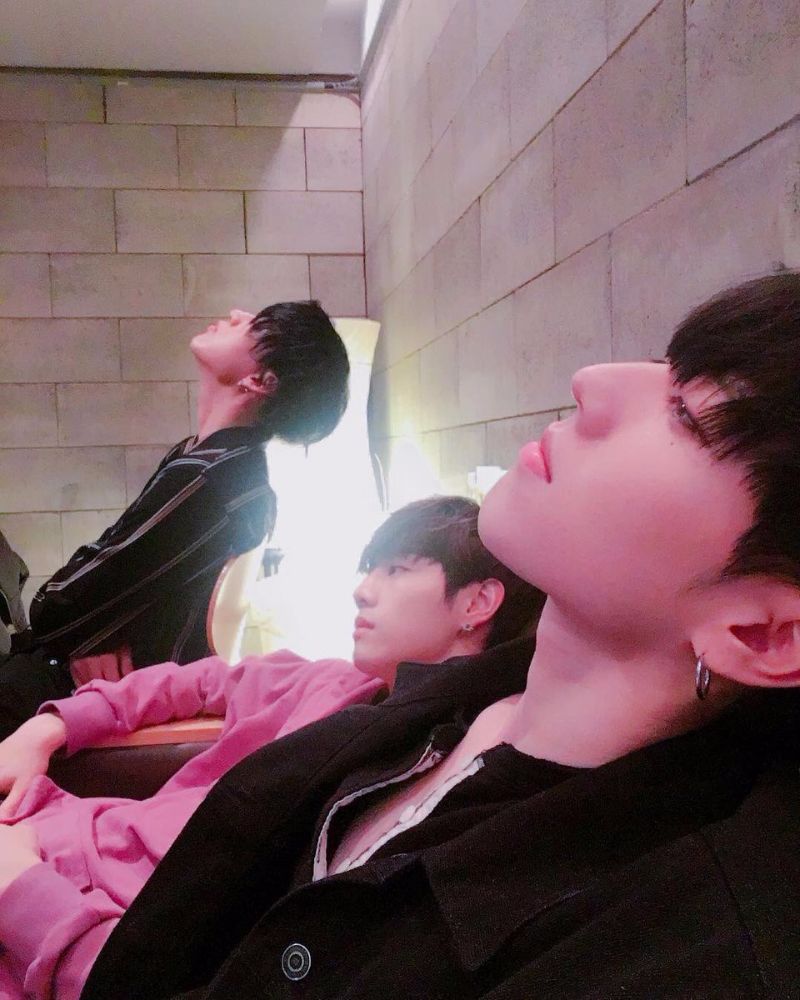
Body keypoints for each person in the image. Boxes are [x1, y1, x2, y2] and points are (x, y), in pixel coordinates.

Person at [31, 270, 800, 1000]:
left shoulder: (655, 951)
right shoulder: (428, 710)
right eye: (666, 368)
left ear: (764, 633)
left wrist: (30, 901)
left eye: (689, 415)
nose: (592, 380)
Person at [0, 496, 542, 1000]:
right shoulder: (325, 682)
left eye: (396, 569)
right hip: (59, 839)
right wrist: (47, 729)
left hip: (93, 916)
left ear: (477, 601)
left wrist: (24, 885)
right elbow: (195, 681)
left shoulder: (441, 776)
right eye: (369, 568)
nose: (363, 590)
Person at [0, 301, 350, 742]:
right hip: (83, 678)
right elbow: (119, 578)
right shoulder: (216, 463)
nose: (236, 313)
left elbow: (58, 606)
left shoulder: (209, 479)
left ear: (260, 381)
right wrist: (99, 633)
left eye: (255, 324)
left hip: (73, 693)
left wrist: (76, 623)